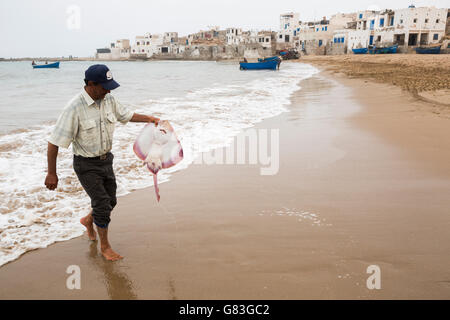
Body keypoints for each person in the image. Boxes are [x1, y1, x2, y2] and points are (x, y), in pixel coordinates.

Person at [45, 64, 160, 261]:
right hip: (86, 165)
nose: (108, 90)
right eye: (105, 87)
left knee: (111, 201)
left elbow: (126, 115)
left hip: (106, 160)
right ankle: (105, 247)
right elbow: (54, 142)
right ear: (91, 84)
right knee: (102, 204)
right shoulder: (74, 108)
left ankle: (88, 221)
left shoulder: (108, 99)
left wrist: (149, 119)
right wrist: (52, 173)